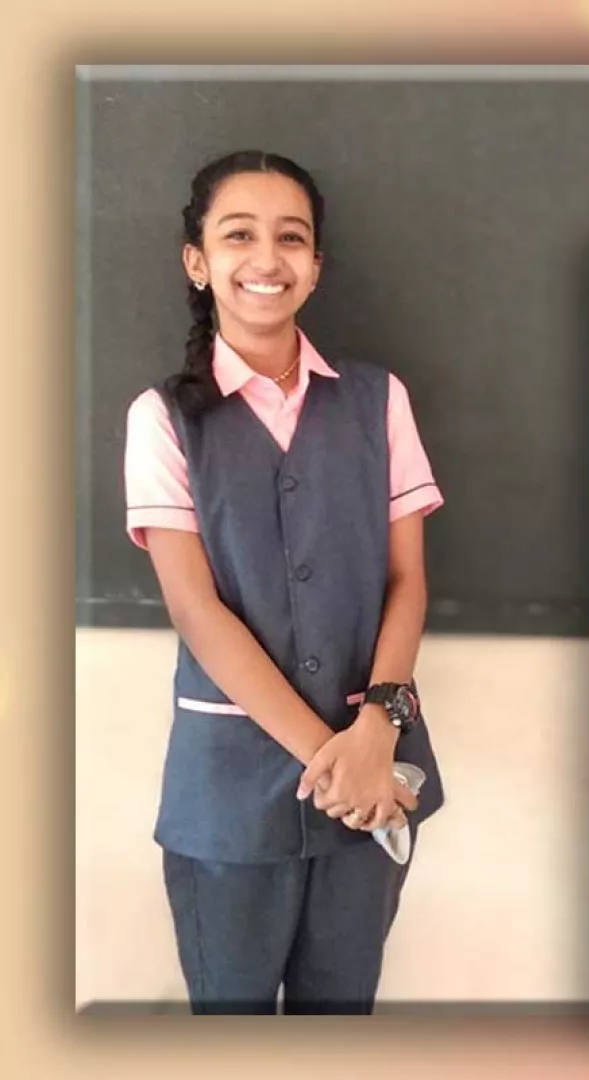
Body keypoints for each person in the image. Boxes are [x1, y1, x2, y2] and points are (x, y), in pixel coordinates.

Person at [121, 150, 446, 1013]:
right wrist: (334, 762)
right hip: (231, 791)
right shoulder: (161, 419)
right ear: (198, 261)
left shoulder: (378, 399)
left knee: (339, 1012)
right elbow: (196, 610)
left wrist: (379, 727)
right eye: (238, 235)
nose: (267, 259)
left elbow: (407, 582)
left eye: (290, 238)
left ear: (315, 265)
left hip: (376, 766)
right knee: (231, 1020)